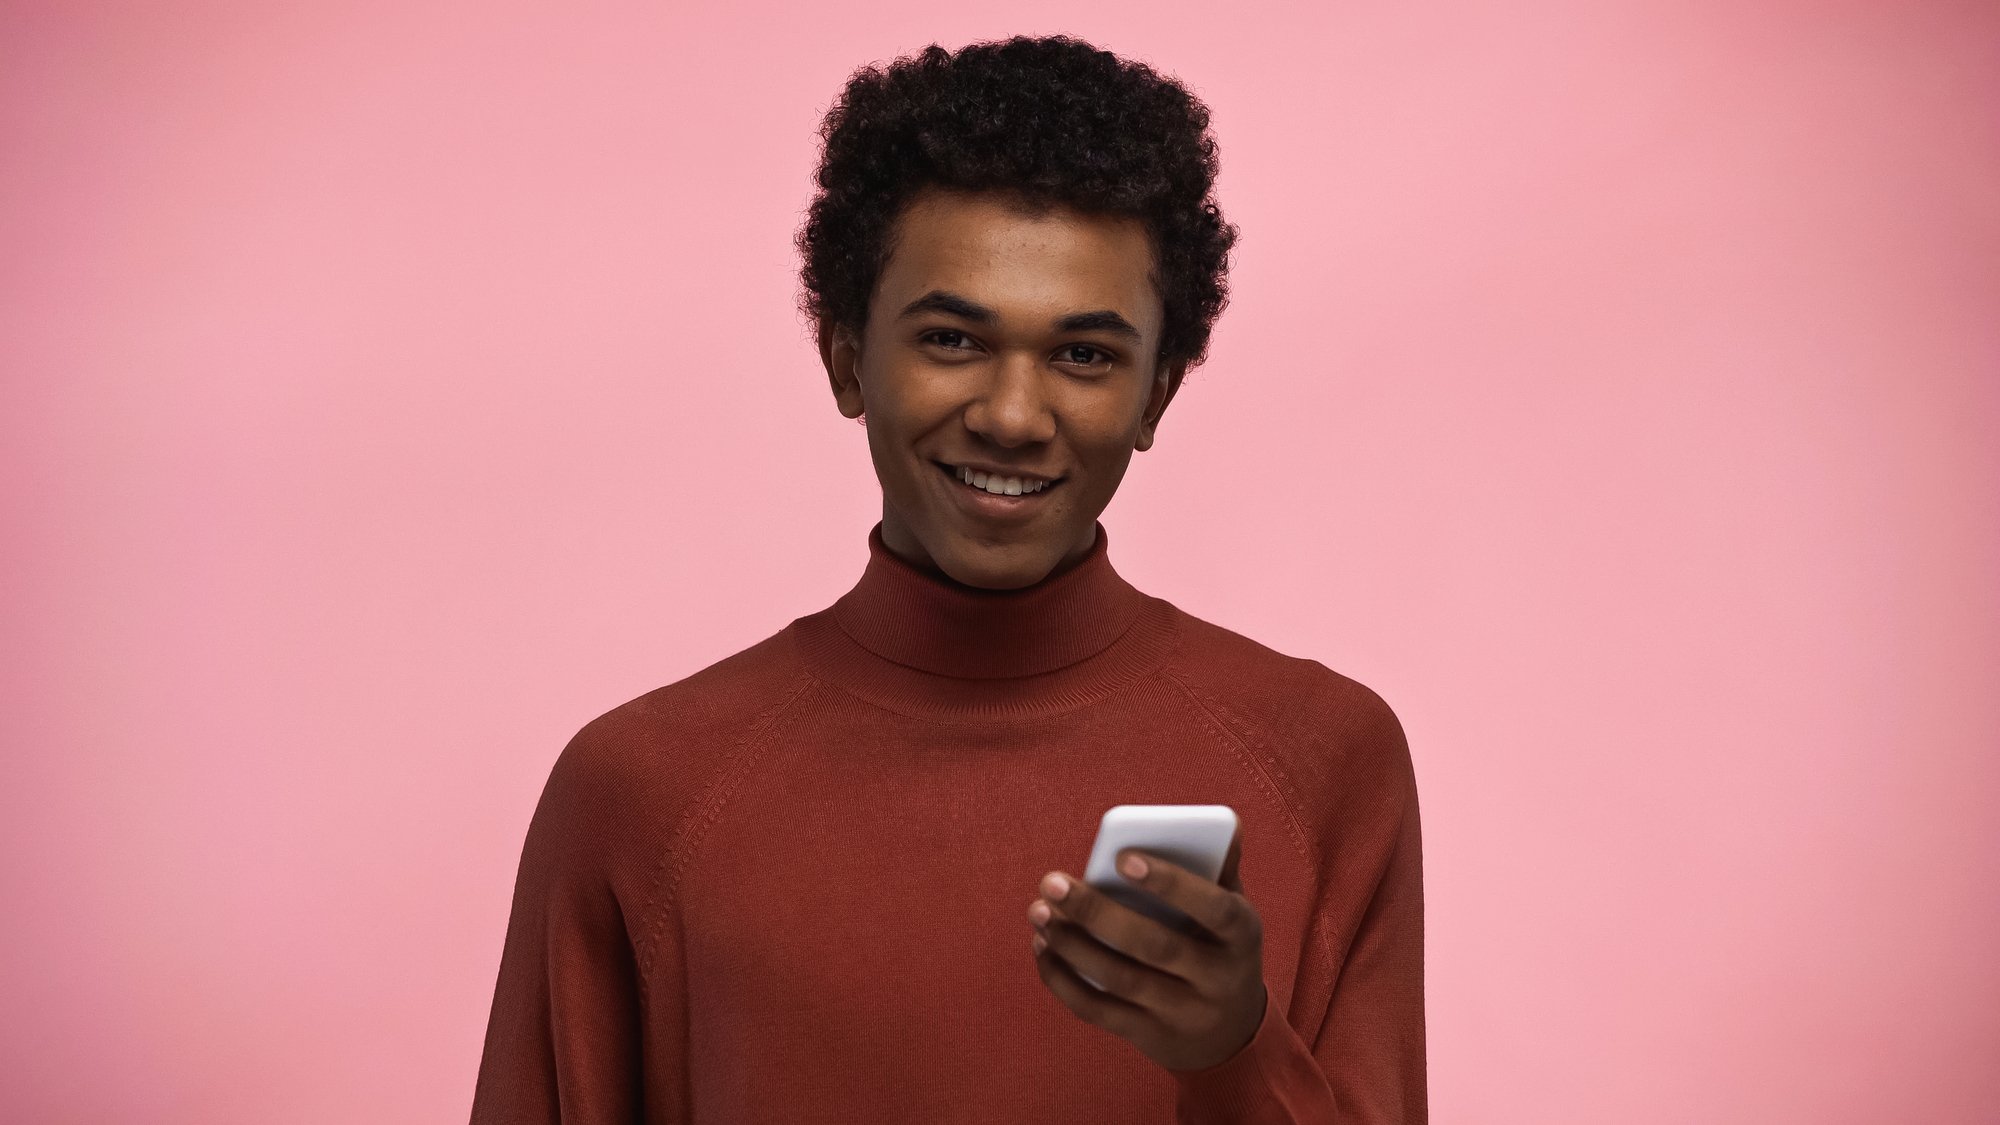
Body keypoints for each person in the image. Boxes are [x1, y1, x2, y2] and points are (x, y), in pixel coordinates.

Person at [469, 34, 1425, 1124]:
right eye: (952, 339)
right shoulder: (641, 789)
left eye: (1083, 356)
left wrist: (1229, 1053)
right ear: (844, 358)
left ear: (1156, 394)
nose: (1013, 417)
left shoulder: (1323, 755)